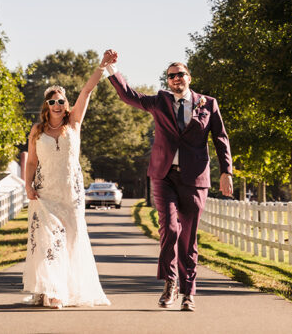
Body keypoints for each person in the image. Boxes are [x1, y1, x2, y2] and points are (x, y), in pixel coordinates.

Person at [102, 49, 233, 312]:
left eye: (180, 74)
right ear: (167, 80)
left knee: (189, 239)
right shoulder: (160, 101)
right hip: (163, 176)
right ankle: (170, 283)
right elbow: (129, 95)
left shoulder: (208, 103)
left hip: (195, 179)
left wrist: (227, 172)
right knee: (171, 229)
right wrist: (110, 69)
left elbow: (221, 138)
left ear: (189, 77)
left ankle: (189, 293)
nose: (176, 79)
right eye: (171, 76)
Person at [22, 58, 111, 309]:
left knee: (70, 240)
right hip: (45, 194)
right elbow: (31, 162)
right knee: (49, 242)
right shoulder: (37, 130)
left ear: (66, 104)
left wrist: (102, 66)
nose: (58, 105)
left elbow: (87, 90)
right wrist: (27, 185)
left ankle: (63, 288)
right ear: (46, 105)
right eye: (53, 101)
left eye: (61, 100)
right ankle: (52, 292)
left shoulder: (74, 124)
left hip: (71, 193)